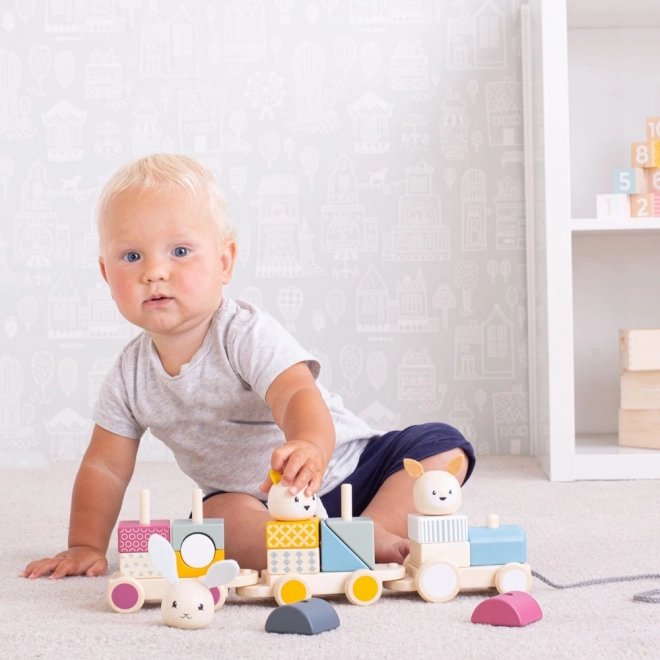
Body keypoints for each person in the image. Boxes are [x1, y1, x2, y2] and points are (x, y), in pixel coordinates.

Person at [22, 154, 475, 579]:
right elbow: (105, 467)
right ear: (106, 274)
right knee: (215, 521)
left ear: (224, 262)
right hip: (258, 502)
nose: (155, 271)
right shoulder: (129, 375)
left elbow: (295, 392)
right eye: (132, 256)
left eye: (180, 252)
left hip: (352, 472)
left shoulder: (242, 332)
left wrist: (309, 444)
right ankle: (313, 546)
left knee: (440, 447)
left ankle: (372, 529)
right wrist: (84, 543)